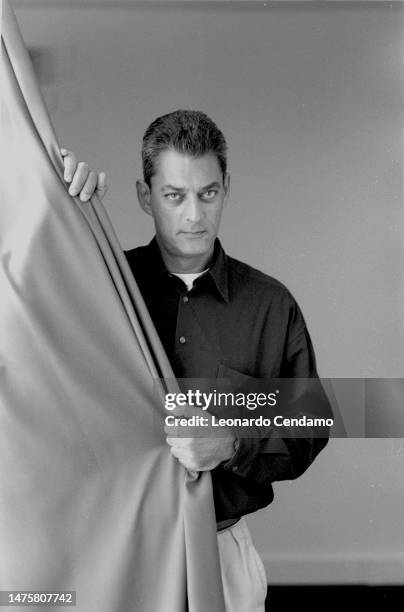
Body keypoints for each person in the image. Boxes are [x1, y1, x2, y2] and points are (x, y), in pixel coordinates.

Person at [61, 109, 332, 612]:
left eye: (208, 193)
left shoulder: (270, 306)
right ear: (146, 197)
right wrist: (50, 205)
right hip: (116, 551)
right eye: (174, 196)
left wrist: (231, 443)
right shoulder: (101, 287)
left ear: (226, 187)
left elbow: (310, 424)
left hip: (221, 551)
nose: (194, 215)